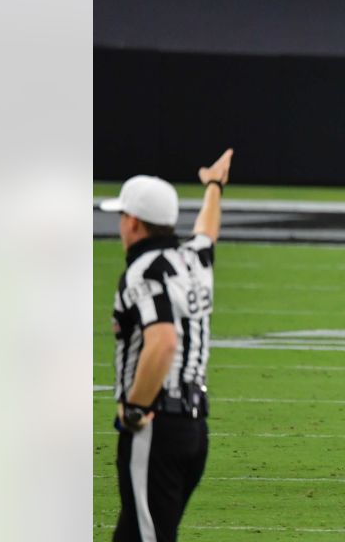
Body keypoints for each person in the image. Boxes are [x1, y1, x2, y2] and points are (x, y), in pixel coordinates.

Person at [101, 149, 233, 541]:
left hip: (157, 427)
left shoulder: (143, 271)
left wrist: (136, 409)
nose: (121, 225)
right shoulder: (192, 260)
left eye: (123, 216)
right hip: (194, 430)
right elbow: (207, 232)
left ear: (136, 224)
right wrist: (214, 186)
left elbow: (162, 342)